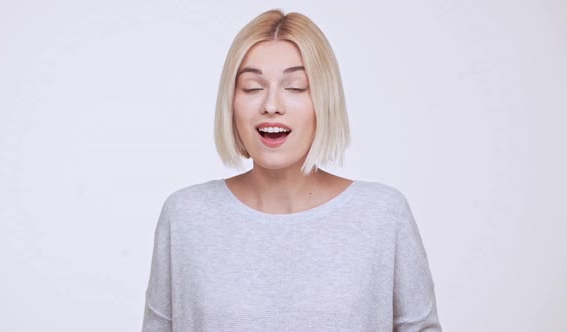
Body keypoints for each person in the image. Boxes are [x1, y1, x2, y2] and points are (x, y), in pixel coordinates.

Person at [142, 9, 441, 332]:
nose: (272, 105)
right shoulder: (186, 216)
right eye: (252, 87)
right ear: (231, 102)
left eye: (295, 87)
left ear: (324, 100)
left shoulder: (383, 215)